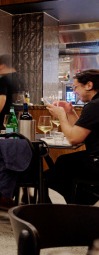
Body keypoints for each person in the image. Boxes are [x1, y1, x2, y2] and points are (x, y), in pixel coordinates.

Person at [45, 69, 99, 204]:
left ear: (89, 85)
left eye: (75, 87)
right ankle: (82, 202)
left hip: (96, 162)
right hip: (95, 158)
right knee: (63, 164)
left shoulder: (94, 106)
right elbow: (81, 133)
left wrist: (61, 115)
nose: (74, 92)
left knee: (56, 172)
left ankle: (81, 204)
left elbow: (74, 139)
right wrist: (70, 112)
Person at [0, 55, 25, 132]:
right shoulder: (20, 77)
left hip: (5, 119)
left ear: (2, 65)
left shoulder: (3, 80)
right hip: (18, 117)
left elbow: (1, 99)